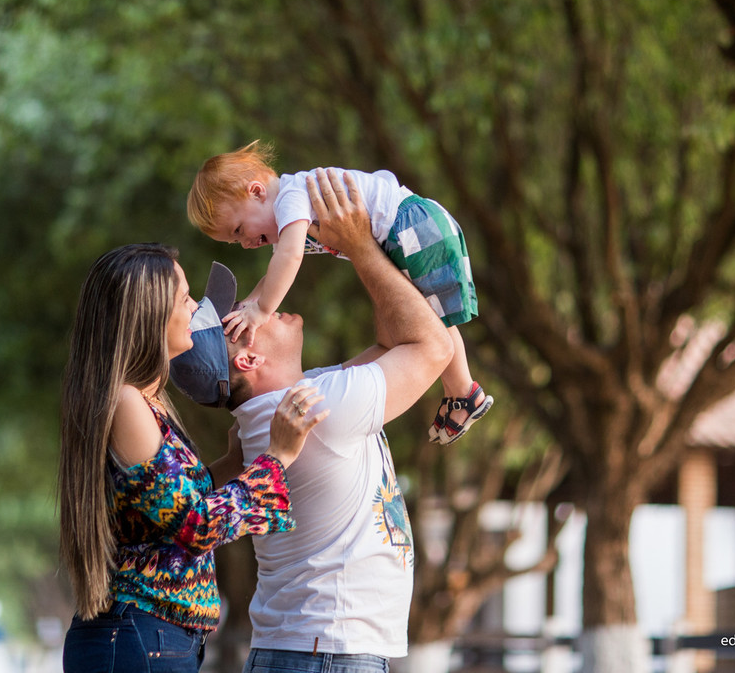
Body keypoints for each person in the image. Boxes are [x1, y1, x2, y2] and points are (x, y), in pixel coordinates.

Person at [170, 169, 454, 672]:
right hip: (328, 653)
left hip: (314, 650)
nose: (257, 305)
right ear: (248, 360)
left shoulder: (295, 404)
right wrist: (362, 246)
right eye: (241, 317)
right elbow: (430, 345)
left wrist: (364, 246)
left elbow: (396, 339)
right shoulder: (318, 409)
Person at [57, 243, 327, 673]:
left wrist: (235, 462)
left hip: (154, 637)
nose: (198, 308)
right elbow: (194, 526)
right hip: (139, 636)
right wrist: (276, 458)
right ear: (150, 314)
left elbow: (173, 508)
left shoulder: (147, 400)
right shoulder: (127, 402)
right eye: (185, 297)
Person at [187, 140, 492, 445]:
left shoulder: (290, 198)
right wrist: (248, 307)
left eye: (239, 230)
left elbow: (290, 258)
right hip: (402, 231)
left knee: (433, 318)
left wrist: (262, 310)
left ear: (256, 191)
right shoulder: (287, 212)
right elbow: (272, 274)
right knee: (429, 317)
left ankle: (463, 392)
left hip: (409, 227)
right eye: (234, 241)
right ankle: (461, 392)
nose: (246, 243)